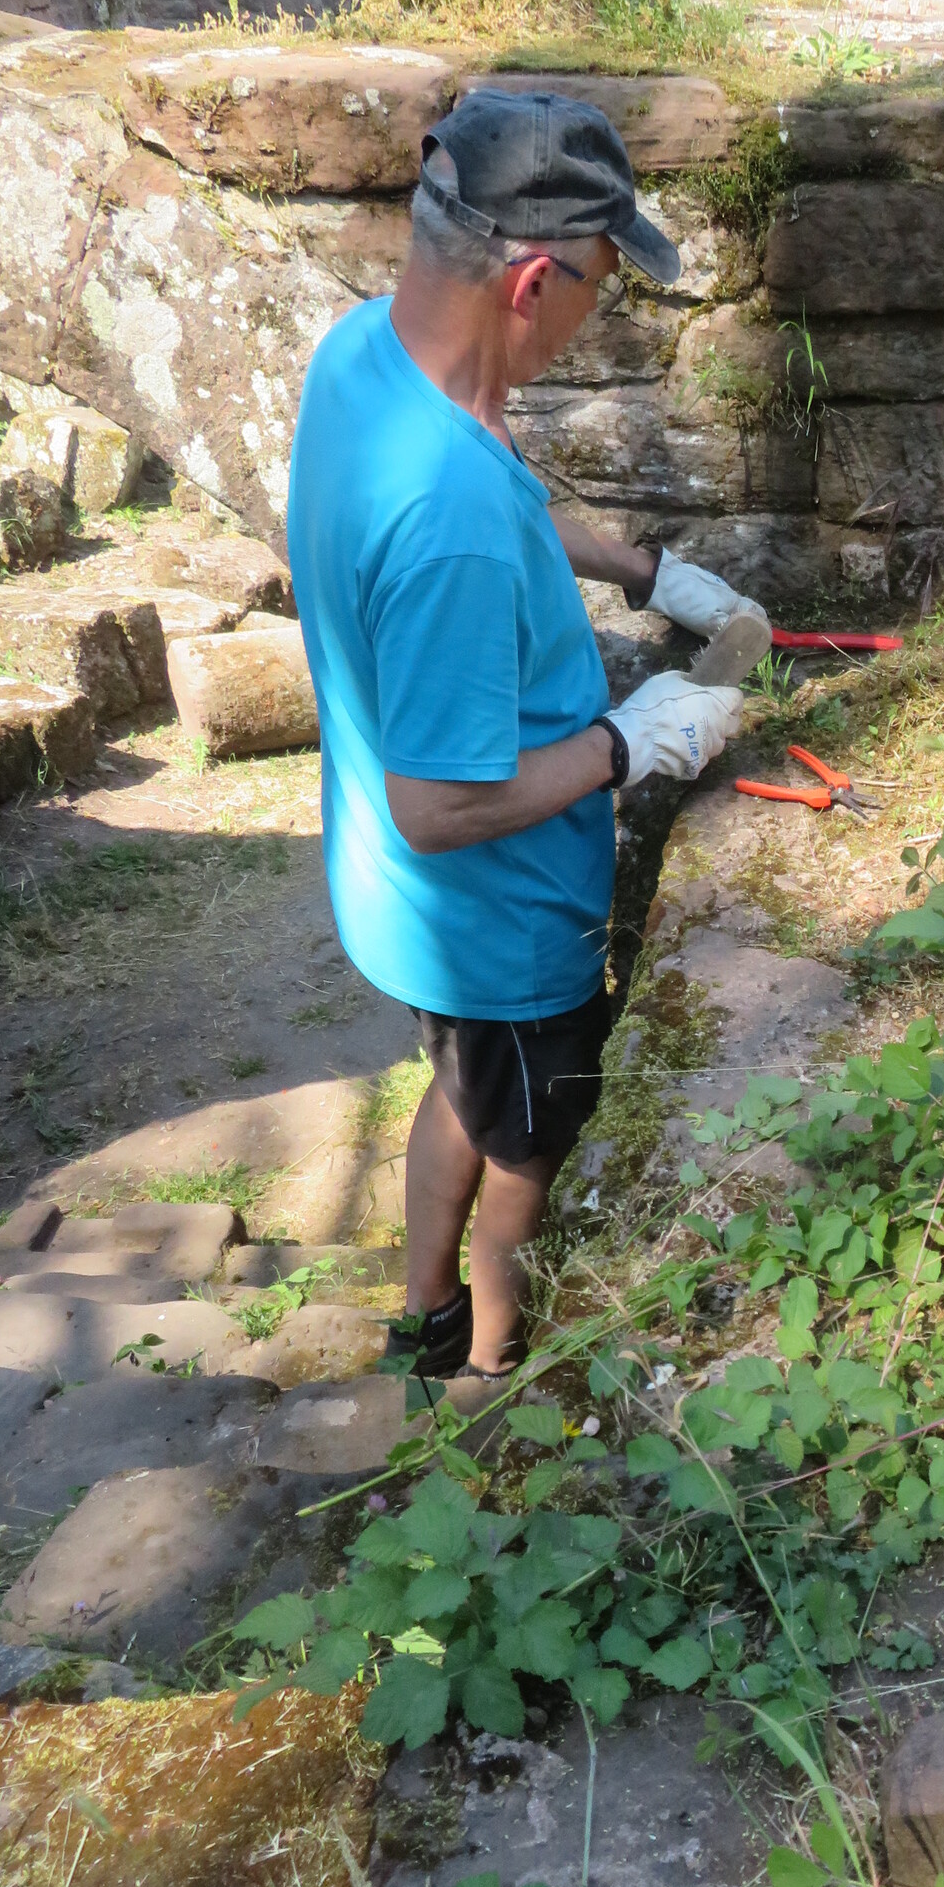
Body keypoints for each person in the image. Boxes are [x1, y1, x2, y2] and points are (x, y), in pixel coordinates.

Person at [288, 90, 762, 1379]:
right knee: (527, 1160)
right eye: (599, 285)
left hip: (415, 921)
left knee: (461, 1091)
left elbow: (489, 500)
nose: (594, 315)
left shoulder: (364, 357)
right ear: (534, 279)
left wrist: (639, 569)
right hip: (501, 929)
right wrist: (631, 742)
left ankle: (424, 1313)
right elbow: (437, 804)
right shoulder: (443, 514)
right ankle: (487, 1382)